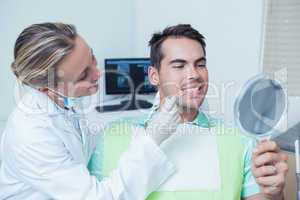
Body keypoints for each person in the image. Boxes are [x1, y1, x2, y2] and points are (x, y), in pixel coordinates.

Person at [89, 24, 289, 200]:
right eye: (179, 65)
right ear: (154, 75)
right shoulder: (111, 137)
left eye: (200, 64)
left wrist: (275, 194)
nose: (194, 74)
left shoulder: (240, 141)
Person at [0, 22, 182, 200]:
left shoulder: (66, 99)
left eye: (92, 57)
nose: (97, 73)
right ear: (46, 89)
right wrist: (152, 139)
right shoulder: (32, 136)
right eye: (82, 75)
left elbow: (81, 138)